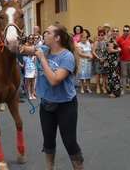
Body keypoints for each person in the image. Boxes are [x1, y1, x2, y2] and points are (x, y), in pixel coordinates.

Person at [21, 24, 84, 170]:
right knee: (48, 141)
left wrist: (43, 59)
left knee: (69, 142)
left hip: (66, 105)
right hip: (46, 104)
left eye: (48, 33)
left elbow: (54, 80)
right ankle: (50, 168)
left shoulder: (67, 56)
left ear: (57, 38)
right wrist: (15, 42)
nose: (44, 34)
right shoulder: (43, 49)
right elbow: (24, 49)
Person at [117, 25, 130, 95]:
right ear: (123, 31)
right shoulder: (120, 39)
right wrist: (118, 49)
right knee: (124, 75)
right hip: (123, 60)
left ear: (129, 31)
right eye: (124, 30)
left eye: (127, 31)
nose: (125, 32)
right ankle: (123, 89)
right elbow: (116, 47)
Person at [106, 27, 122, 98]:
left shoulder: (115, 40)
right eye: (114, 31)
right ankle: (113, 92)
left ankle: (115, 92)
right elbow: (110, 50)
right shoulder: (111, 40)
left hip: (115, 60)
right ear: (112, 32)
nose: (115, 32)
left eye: (117, 31)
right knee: (113, 76)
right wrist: (118, 50)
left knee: (114, 76)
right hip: (111, 60)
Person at [76, 30, 93, 94]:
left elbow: (91, 51)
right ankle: (82, 88)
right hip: (82, 62)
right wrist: (88, 56)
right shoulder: (78, 44)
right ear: (80, 38)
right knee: (82, 75)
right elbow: (80, 53)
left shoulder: (88, 43)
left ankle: (88, 87)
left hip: (88, 62)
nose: (84, 39)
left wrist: (91, 57)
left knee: (88, 75)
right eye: (82, 38)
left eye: (85, 38)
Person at [92, 29, 108, 94]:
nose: (100, 36)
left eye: (102, 35)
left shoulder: (106, 42)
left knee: (104, 74)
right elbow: (93, 51)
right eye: (99, 35)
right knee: (98, 74)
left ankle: (103, 86)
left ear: (104, 35)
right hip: (97, 60)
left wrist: (104, 58)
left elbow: (108, 51)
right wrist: (99, 58)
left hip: (104, 60)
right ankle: (98, 87)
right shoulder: (96, 42)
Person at [23, 35, 37, 100]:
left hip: (33, 65)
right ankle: (29, 94)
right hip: (28, 64)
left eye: (32, 38)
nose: (31, 39)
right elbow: (24, 62)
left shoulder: (34, 46)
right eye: (30, 38)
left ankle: (32, 93)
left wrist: (36, 71)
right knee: (28, 82)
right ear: (28, 39)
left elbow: (35, 61)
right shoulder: (26, 46)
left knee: (33, 82)